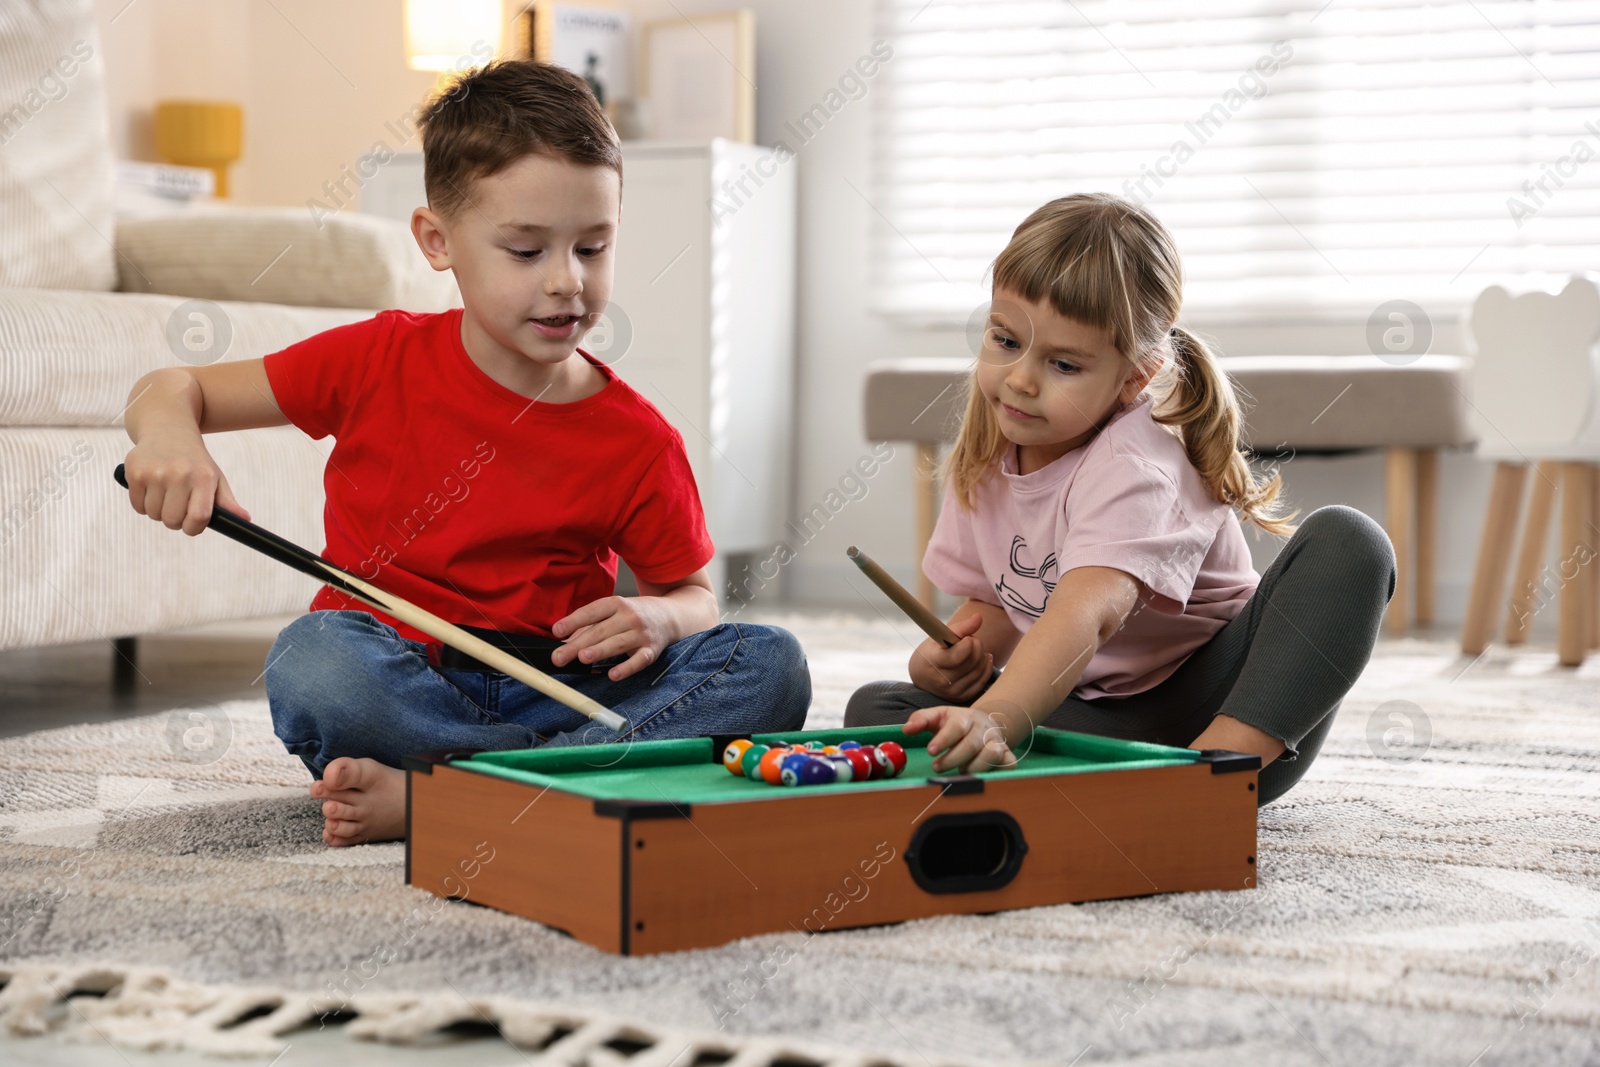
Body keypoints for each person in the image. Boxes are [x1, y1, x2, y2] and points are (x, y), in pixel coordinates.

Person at [120, 61, 811, 845]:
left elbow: (694, 595)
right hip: (407, 679)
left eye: (593, 246)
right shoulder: (375, 358)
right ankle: (569, 779)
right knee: (315, 661)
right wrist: (171, 434)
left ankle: (453, 795)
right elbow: (169, 387)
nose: (567, 283)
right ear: (437, 241)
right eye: (526, 251)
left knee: (769, 663)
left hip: (562, 681)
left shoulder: (637, 436)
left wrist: (657, 615)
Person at [845, 193, 1395, 806]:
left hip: (1215, 698)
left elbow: (1089, 611)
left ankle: (1213, 779)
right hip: (1098, 713)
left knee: (1352, 541)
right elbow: (997, 602)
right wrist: (950, 662)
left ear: (1134, 377)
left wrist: (999, 715)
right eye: (1005, 341)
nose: (1022, 379)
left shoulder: (1134, 463)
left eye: (1063, 364)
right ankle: (1127, 782)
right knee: (883, 710)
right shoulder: (990, 451)